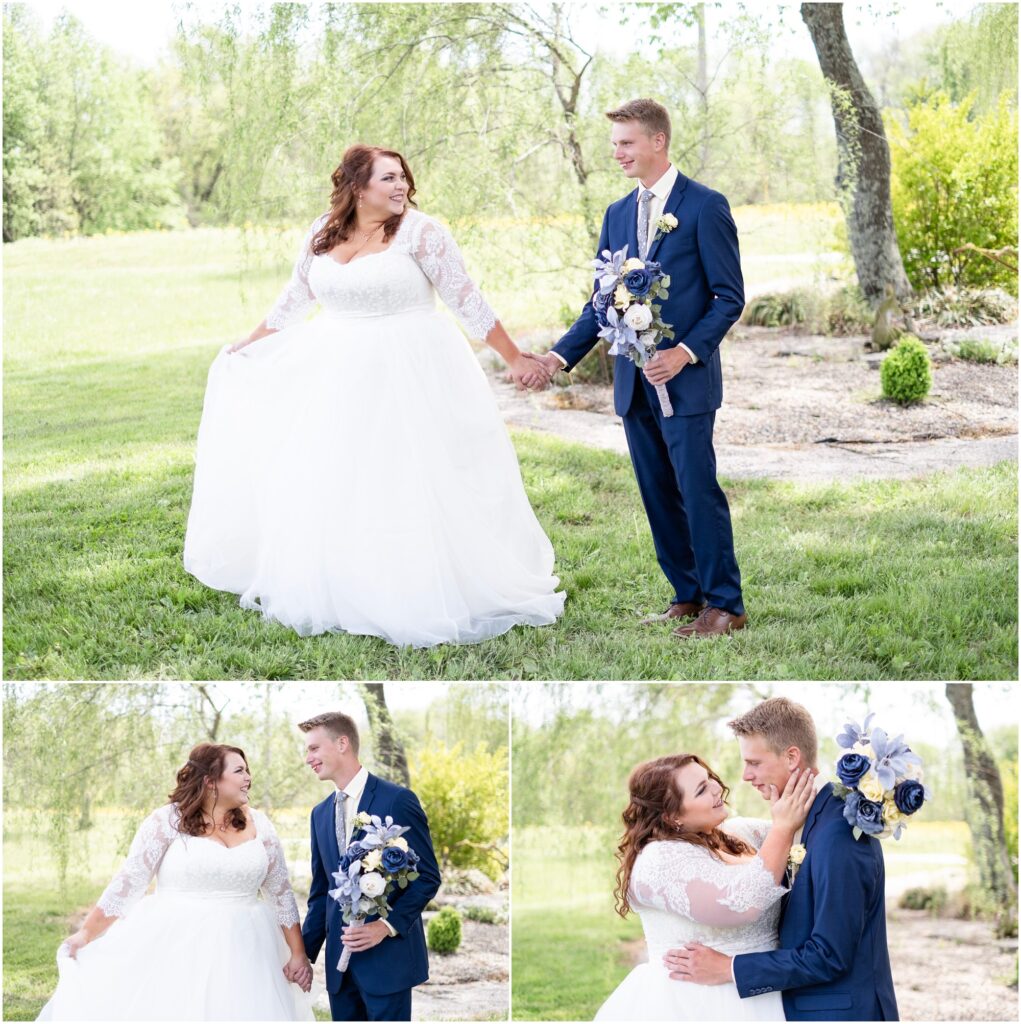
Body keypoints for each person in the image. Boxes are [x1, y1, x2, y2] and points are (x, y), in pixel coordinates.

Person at [184, 143, 564, 647]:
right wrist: (248, 343)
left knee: (406, 473)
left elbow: (465, 298)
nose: (401, 185)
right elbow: (296, 297)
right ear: (356, 186)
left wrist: (514, 357)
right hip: (335, 371)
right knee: (338, 474)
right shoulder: (323, 231)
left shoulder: (423, 233)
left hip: (410, 369)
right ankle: (346, 578)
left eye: (403, 176)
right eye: (387, 178)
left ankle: (417, 581)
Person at [530, 98, 747, 638]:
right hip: (633, 383)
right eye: (614, 144)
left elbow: (728, 297)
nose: (618, 153)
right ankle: (688, 594)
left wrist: (685, 352)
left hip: (686, 380)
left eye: (626, 142)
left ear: (658, 142)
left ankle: (728, 605)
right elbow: (600, 304)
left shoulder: (705, 206)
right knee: (656, 491)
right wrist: (557, 358)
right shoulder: (615, 213)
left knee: (698, 490)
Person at [663, 697, 900, 1021]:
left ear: (791, 757)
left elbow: (829, 954)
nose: (745, 776)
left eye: (754, 762)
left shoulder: (839, 832)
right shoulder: (810, 819)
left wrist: (728, 968)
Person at [38, 744, 313, 1021]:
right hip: (177, 946)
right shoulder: (167, 821)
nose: (248, 778)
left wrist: (298, 953)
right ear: (210, 781)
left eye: (247, 771)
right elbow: (129, 882)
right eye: (239, 771)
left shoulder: (261, 825)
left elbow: (281, 894)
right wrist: (86, 933)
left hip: (250, 947)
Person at [594, 751, 816, 1020]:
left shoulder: (739, 833)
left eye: (709, 777)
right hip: (696, 1003)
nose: (715, 787)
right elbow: (740, 904)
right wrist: (782, 828)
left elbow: (806, 827)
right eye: (701, 789)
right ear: (671, 816)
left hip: (766, 992)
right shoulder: (660, 858)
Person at [300, 711, 442, 1022]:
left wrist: (384, 927)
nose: (307, 757)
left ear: (342, 743)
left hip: (387, 962)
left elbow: (428, 877)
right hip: (340, 967)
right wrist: (302, 954)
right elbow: (323, 892)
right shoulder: (319, 814)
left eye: (313, 748)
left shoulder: (397, 800)